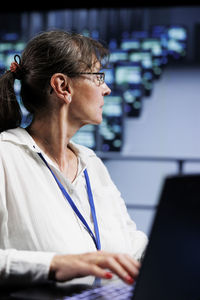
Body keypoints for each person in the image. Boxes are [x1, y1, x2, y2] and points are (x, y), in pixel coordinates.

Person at [0, 30, 148, 287]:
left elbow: (130, 243)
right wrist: (54, 264)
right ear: (62, 86)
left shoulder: (92, 164)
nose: (107, 89)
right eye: (98, 77)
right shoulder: (6, 157)